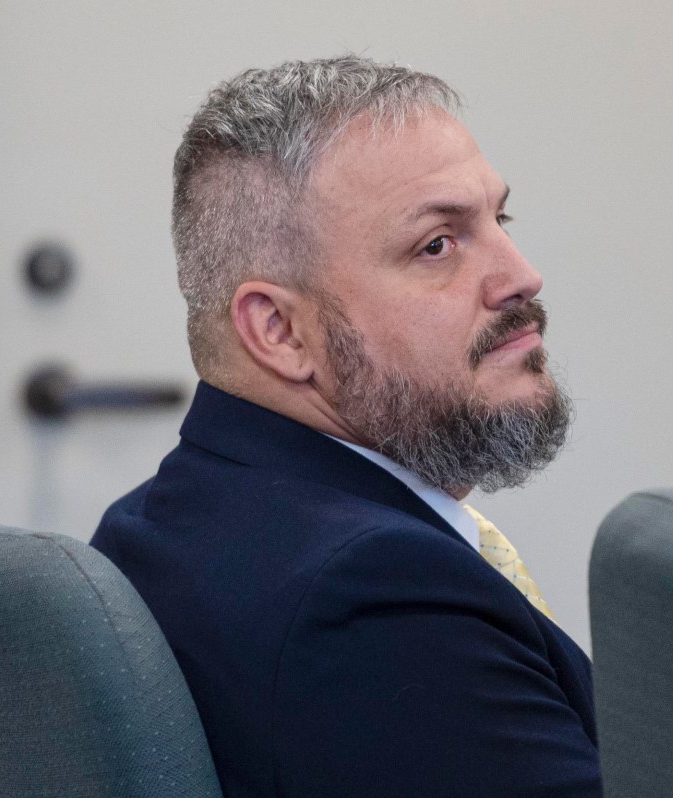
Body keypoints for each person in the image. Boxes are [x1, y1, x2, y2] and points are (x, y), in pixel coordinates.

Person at [91, 55, 602, 797]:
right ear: (281, 333)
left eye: (500, 219)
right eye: (437, 245)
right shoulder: (378, 599)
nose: (521, 275)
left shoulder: (160, 521)